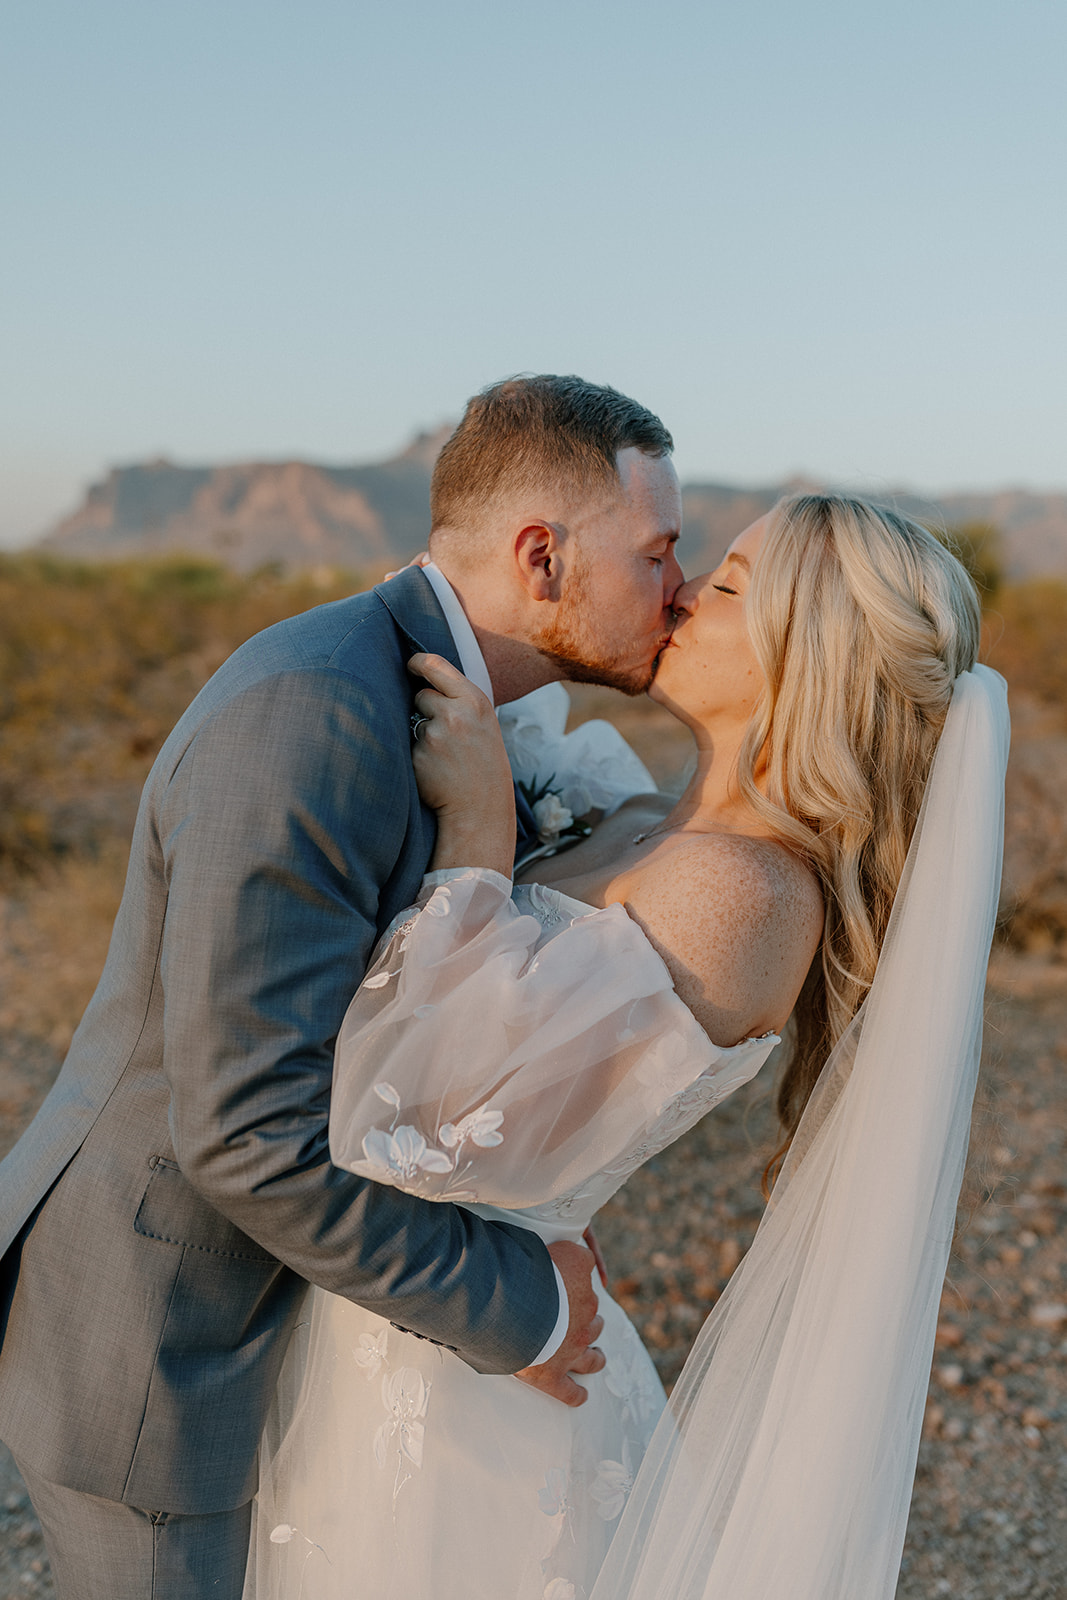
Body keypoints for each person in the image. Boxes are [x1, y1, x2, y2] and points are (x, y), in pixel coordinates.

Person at [245, 493, 1008, 1600]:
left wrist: (476, 836)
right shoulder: (645, 819)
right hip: (409, 1303)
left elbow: (418, 1123)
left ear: (816, 659)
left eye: (734, 587)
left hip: (470, 1376)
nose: (687, 592)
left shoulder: (739, 893)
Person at [0, 374, 687, 1600]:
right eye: (657, 552)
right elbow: (245, 1133)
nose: (676, 588)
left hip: (280, 1316)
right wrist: (516, 1305)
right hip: (158, 1338)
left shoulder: (446, 700)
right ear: (542, 557)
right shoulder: (317, 709)